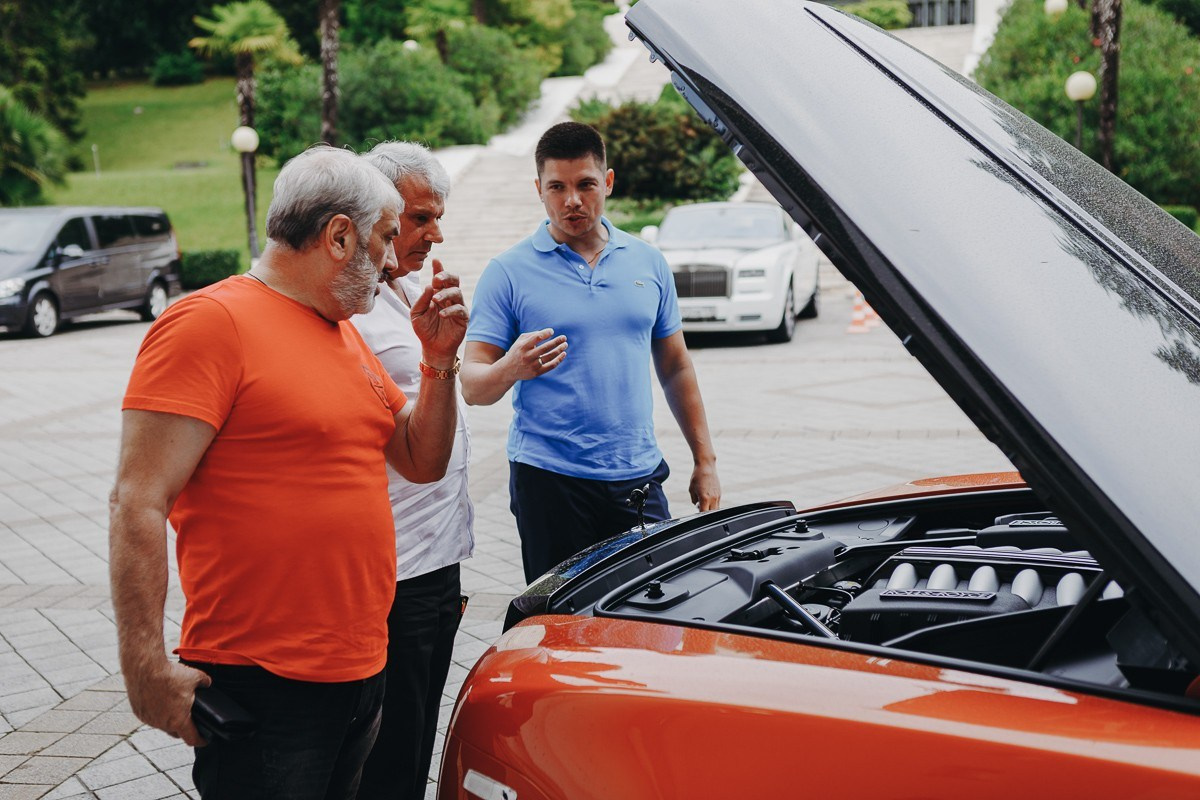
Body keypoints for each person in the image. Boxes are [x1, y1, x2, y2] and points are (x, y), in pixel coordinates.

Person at [108, 144, 467, 800]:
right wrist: (144, 667)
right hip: (265, 686)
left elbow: (421, 460)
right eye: (386, 239)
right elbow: (138, 499)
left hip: (360, 672)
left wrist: (439, 361)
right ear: (337, 236)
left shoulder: (340, 332)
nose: (392, 262)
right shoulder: (208, 323)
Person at [462, 121, 721, 584]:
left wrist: (706, 461)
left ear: (609, 182)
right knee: (561, 629)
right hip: (549, 481)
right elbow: (473, 386)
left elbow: (676, 366)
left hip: (638, 476)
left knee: (648, 619)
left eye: (586, 184)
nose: (572, 201)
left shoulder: (648, 262)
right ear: (538, 189)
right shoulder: (508, 272)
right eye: (557, 187)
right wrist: (511, 368)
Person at [350, 141, 472, 800]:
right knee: (387, 758)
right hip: (392, 572)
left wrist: (453, 357)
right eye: (419, 220)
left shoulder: (418, 285)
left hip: (438, 555)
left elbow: (444, 384)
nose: (434, 233)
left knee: (416, 740)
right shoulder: (350, 308)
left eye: (435, 217)